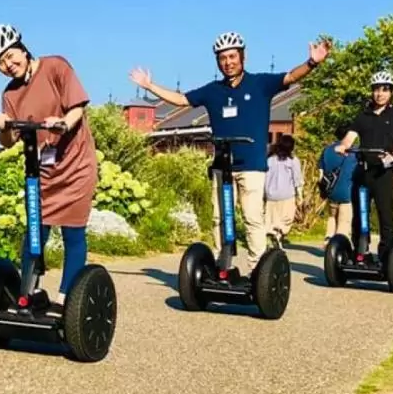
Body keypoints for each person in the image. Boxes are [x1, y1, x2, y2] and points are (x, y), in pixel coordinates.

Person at [129, 31, 330, 274]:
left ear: (242, 57)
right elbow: (181, 100)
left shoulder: (260, 84)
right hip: (222, 166)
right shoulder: (213, 90)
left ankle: (258, 271)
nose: (228, 62)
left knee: (252, 218)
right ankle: (221, 264)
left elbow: (290, 77)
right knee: (219, 218)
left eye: (232, 56)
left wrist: (312, 62)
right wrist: (150, 86)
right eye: (223, 58)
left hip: (252, 165)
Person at [0, 24, 98, 305]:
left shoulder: (55, 67)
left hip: (75, 163)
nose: (8, 65)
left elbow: (77, 108)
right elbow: (9, 142)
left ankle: (66, 300)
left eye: (10, 57)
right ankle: (28, 293)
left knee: (72, 230)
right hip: (41, 170)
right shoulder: (10, 94)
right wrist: (4, 125)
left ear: (22, 48)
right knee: (36, 229)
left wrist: (62, 124)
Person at [335, 71, 393, 255]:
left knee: (385, 215)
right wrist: (343, 146)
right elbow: (350, 137)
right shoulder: (363, 116)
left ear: (391, 92)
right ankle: (360, 250)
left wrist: (392, 156)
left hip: (384, 173)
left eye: (385, 90)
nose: (380, 94)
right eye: (377, 90)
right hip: (363, 172)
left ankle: (386, 253)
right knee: (360, 215)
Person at [318, 123, 358, 240]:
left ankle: (328, 239)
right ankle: (339, 245)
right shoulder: (353, 152)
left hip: (331, 190)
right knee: (344, 222)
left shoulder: (327, 150)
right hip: (347, 191)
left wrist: (323, 190)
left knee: (331, 217)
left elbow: (321, 172)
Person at [264, 134, 303, 246]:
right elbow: (297, 179)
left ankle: (272, 233)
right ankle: (278, 235)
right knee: (286, 219)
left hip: (271, 195)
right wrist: (300, 196)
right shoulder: (293, 161)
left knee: (272, 219)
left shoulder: (270, 159)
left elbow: (265, 177)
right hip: (287, 195)